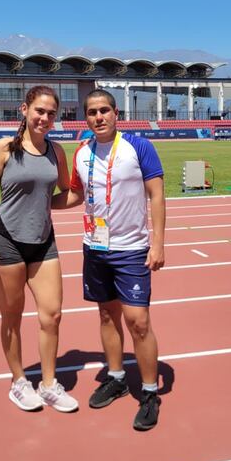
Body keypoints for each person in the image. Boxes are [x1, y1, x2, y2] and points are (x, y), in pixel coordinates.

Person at [54, 89, 166, 431]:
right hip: (95, 247)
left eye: (104, 110)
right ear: (85, 117)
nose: (98, 117)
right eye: (92, 112)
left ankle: (149, 392)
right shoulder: (83, 151)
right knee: (106, 315)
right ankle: (116, 378)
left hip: (131, 249)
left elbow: (157, 195)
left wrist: (158, 243)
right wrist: (38, 202)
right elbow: (75, 194)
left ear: (116, 113)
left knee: (139, 321)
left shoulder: (139, 147)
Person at [0, 85, 78, 413]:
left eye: (51, 113)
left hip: (43, 240)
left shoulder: (56, 152)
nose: (45, 118)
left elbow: (65, 193)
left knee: (53, 314)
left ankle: (48, 384)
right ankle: (19, 382)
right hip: (6, 240)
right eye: (39, 111)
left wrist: (89, 190)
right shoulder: (5, 149)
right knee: (12, 316)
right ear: (24, 109)